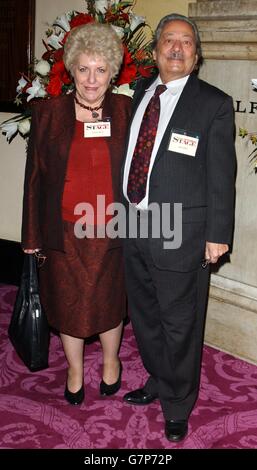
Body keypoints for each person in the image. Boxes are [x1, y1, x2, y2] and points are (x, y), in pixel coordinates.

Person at [122, 13, 236, 442]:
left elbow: (222, 175)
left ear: (197, 55)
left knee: (179, 322)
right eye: (168, 40)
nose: (176, 48)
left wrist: (217, 234)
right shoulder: (138, 94)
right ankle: (159, 377)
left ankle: (178, 401)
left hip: (181, 234)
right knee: (146, 315)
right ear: (154, 53)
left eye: (186, 42)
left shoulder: (213, 103)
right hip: (132, 225)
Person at [22, 23, 131, 405]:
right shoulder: (49, 113)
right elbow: (34, 178)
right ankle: (73, 369)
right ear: (71, 69)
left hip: (112, 228)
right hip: (64, 230)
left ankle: (112, 362)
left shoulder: (125, 110)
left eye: (101, 70)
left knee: (109, 300)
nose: (92, 79)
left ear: (112, 72)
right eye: (84, 68)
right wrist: (31, 237)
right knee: (69, 303)